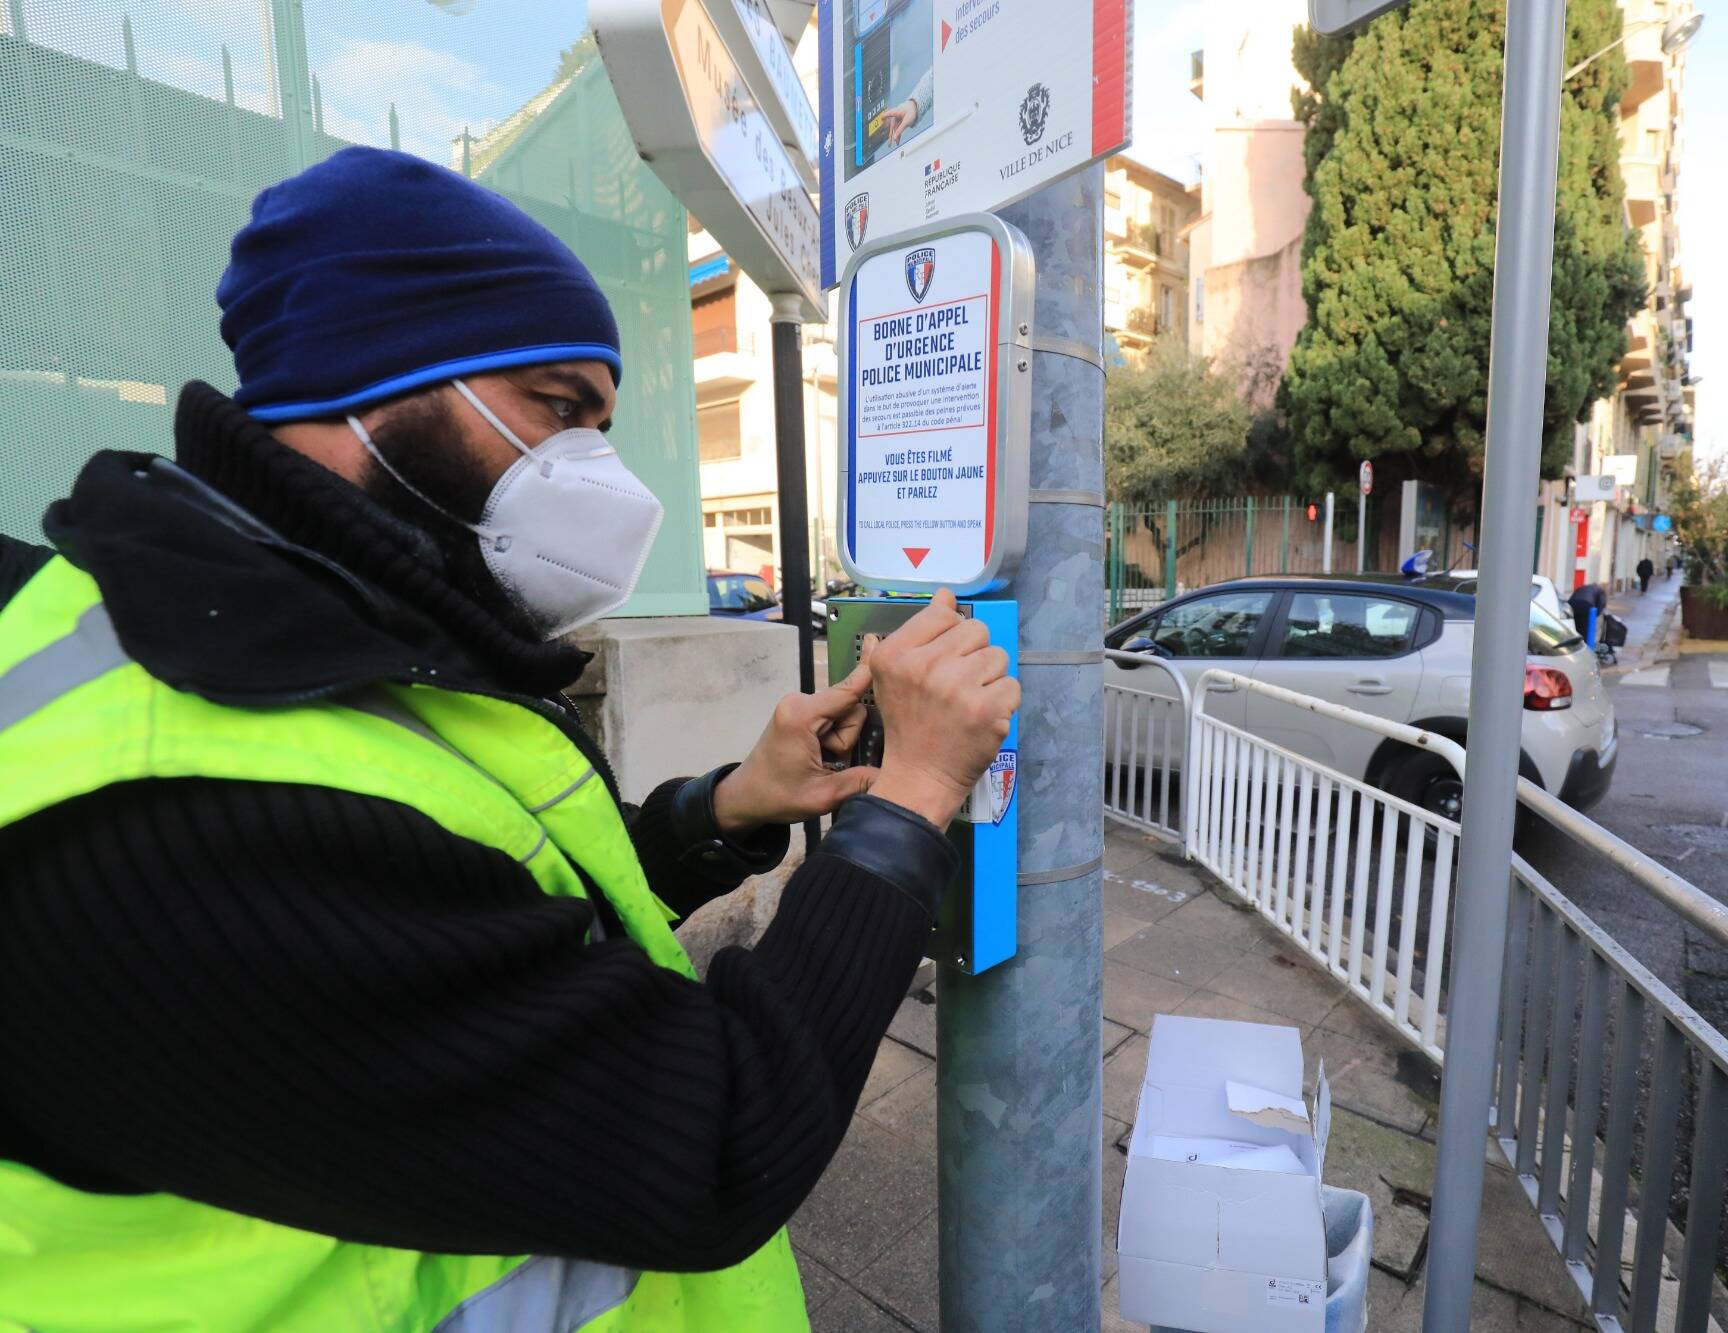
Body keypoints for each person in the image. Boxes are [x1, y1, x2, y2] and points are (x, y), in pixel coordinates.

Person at [0, 147, 1018, 1332]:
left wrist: (731, 805)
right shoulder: (172, 817)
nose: (596, 473)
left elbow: (478, 914)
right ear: (359, 387)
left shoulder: (302, 634)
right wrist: (905, 807)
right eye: (554, 408)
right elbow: (713, 1138)